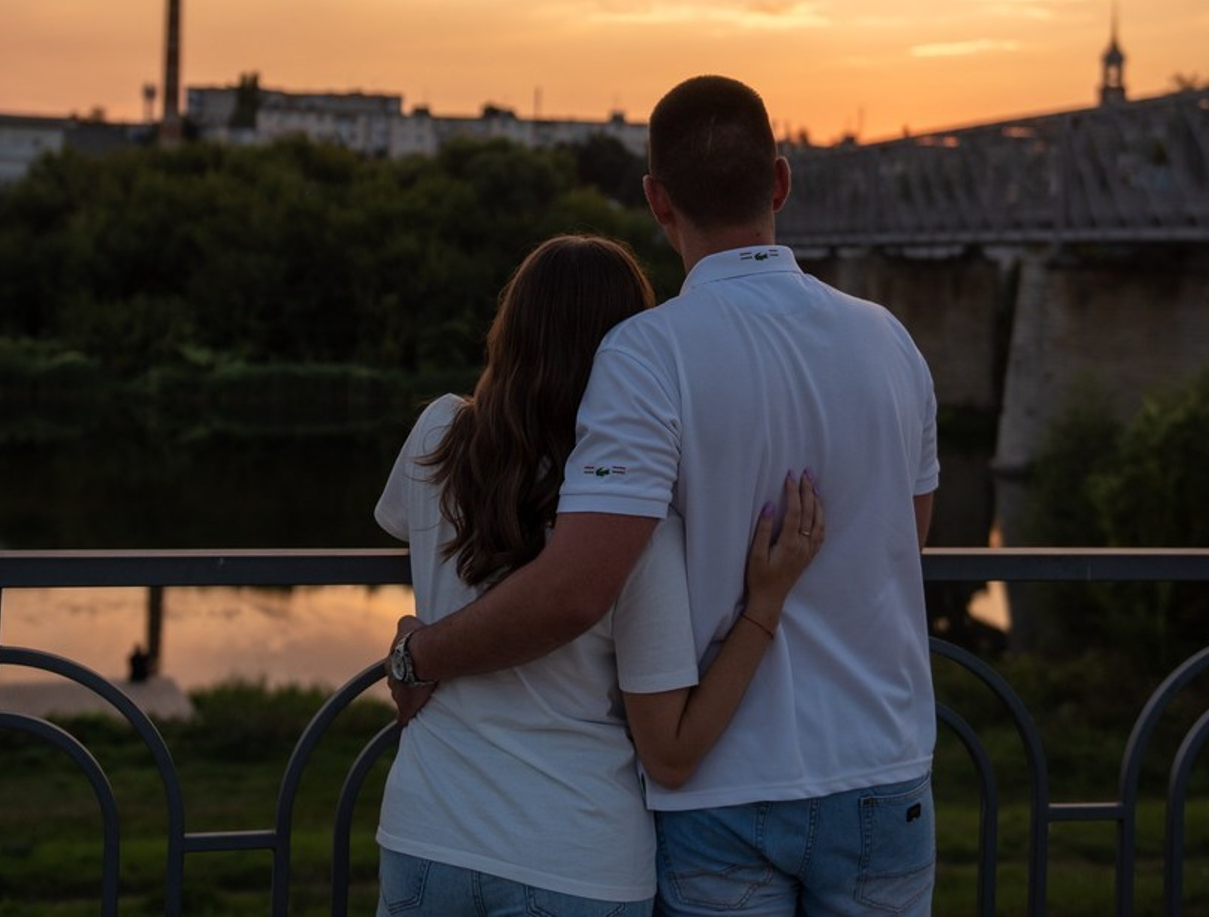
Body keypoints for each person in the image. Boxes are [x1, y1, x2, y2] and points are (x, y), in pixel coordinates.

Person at [390, 77, 939, 917]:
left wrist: (419, 654)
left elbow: (577, 584)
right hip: (883, 764)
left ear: (656, 200)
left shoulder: (648, 355)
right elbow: (905, 540)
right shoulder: (891, 341)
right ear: (782, 181)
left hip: (725, 784)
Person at [375, 234, 824, 915]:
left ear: (509, 332)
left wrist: (418, 640)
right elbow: (671, 752)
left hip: (426, 833)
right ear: (629, 350)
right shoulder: (628, 524)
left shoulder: (438, 434)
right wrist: (765, 606)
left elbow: (401, 527)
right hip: (573, 857)